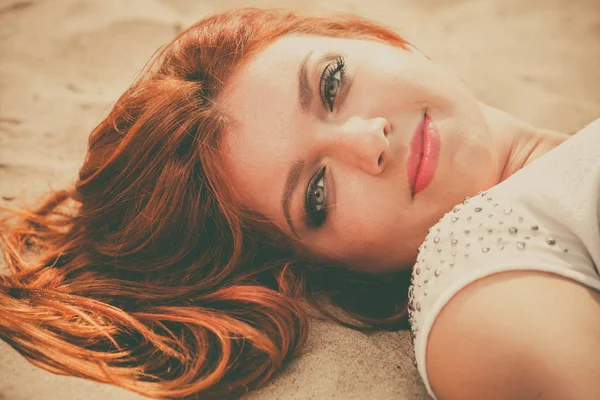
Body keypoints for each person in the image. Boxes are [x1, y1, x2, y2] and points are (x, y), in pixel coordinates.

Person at [0, 6, 597, 400]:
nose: (369, 141)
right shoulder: (484, 274)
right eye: (317, 194)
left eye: (332, 84)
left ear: (379, 39)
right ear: (320, 273)